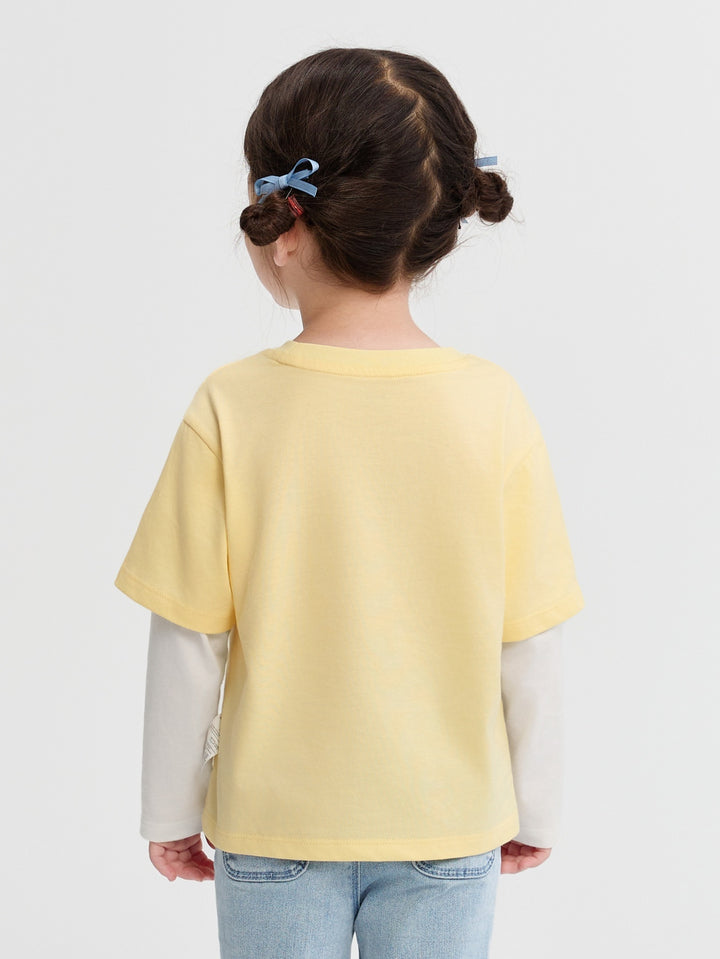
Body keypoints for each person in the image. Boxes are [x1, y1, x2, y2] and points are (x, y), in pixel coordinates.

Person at [114, 46, 585, 959]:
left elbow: (188, 639)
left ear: (283, 224)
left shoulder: (231, 405)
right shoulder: (493, 406)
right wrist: (538, 804)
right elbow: (529, 638)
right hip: (449, 821)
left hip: (274, 824)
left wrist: (169, 809)